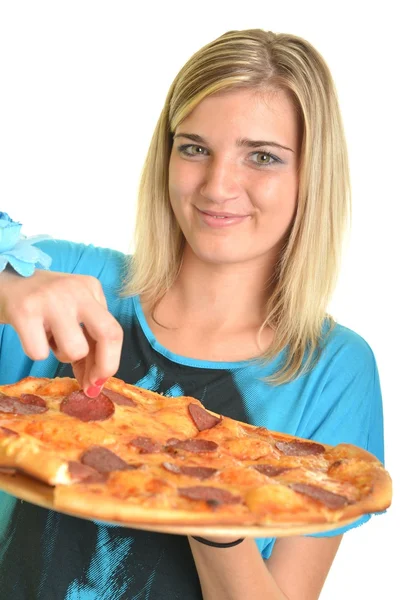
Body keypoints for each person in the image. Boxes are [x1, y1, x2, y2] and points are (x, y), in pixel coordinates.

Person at [0, 28, 385, 600]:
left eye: (261, 156)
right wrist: (6, 278)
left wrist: (213, 494)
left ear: (312, 175)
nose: (217, 185)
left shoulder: (334, 367)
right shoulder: (68, 280)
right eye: (195, 148)